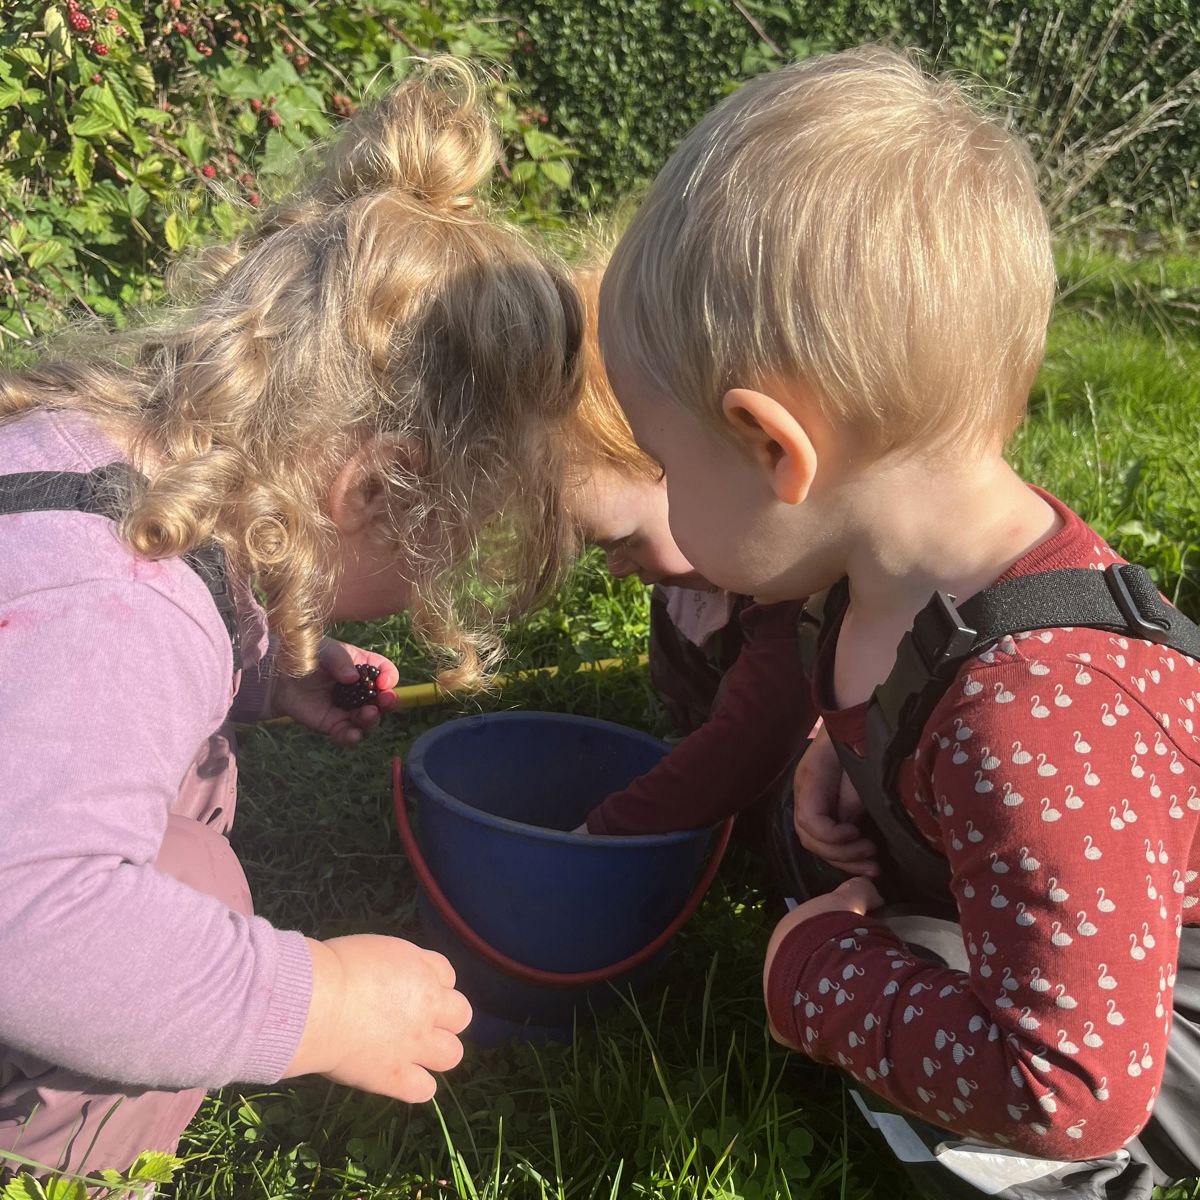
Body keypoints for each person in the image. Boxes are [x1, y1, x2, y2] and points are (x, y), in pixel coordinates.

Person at [598, 44, 1200, 1196]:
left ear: (775, 446)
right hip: (1053, 892)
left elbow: (1073, 1084)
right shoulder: (861, 576)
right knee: (821, 867)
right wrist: (837, 748)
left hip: (1154, 1006)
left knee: (1010, 1107)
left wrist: (819, 981)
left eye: (667, 465)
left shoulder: (1032, 718)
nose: (666, 510)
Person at [0, 59, 583, 1182]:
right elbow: (29, 913)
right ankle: (52, 1156)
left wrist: (266, 669)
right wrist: (321, 1004)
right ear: (372, 490)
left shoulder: (102, 463)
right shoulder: (124, 604)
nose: (426, 593)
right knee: (191, 903)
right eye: (437, 555)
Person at [565, 262, 815, 838]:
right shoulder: (699, 568)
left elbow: (750, 738)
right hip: (725, 725)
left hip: (809, 755)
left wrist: (604, 834)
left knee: (801, 814)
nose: (616, 568)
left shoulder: (797, 586)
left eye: (622, 541)